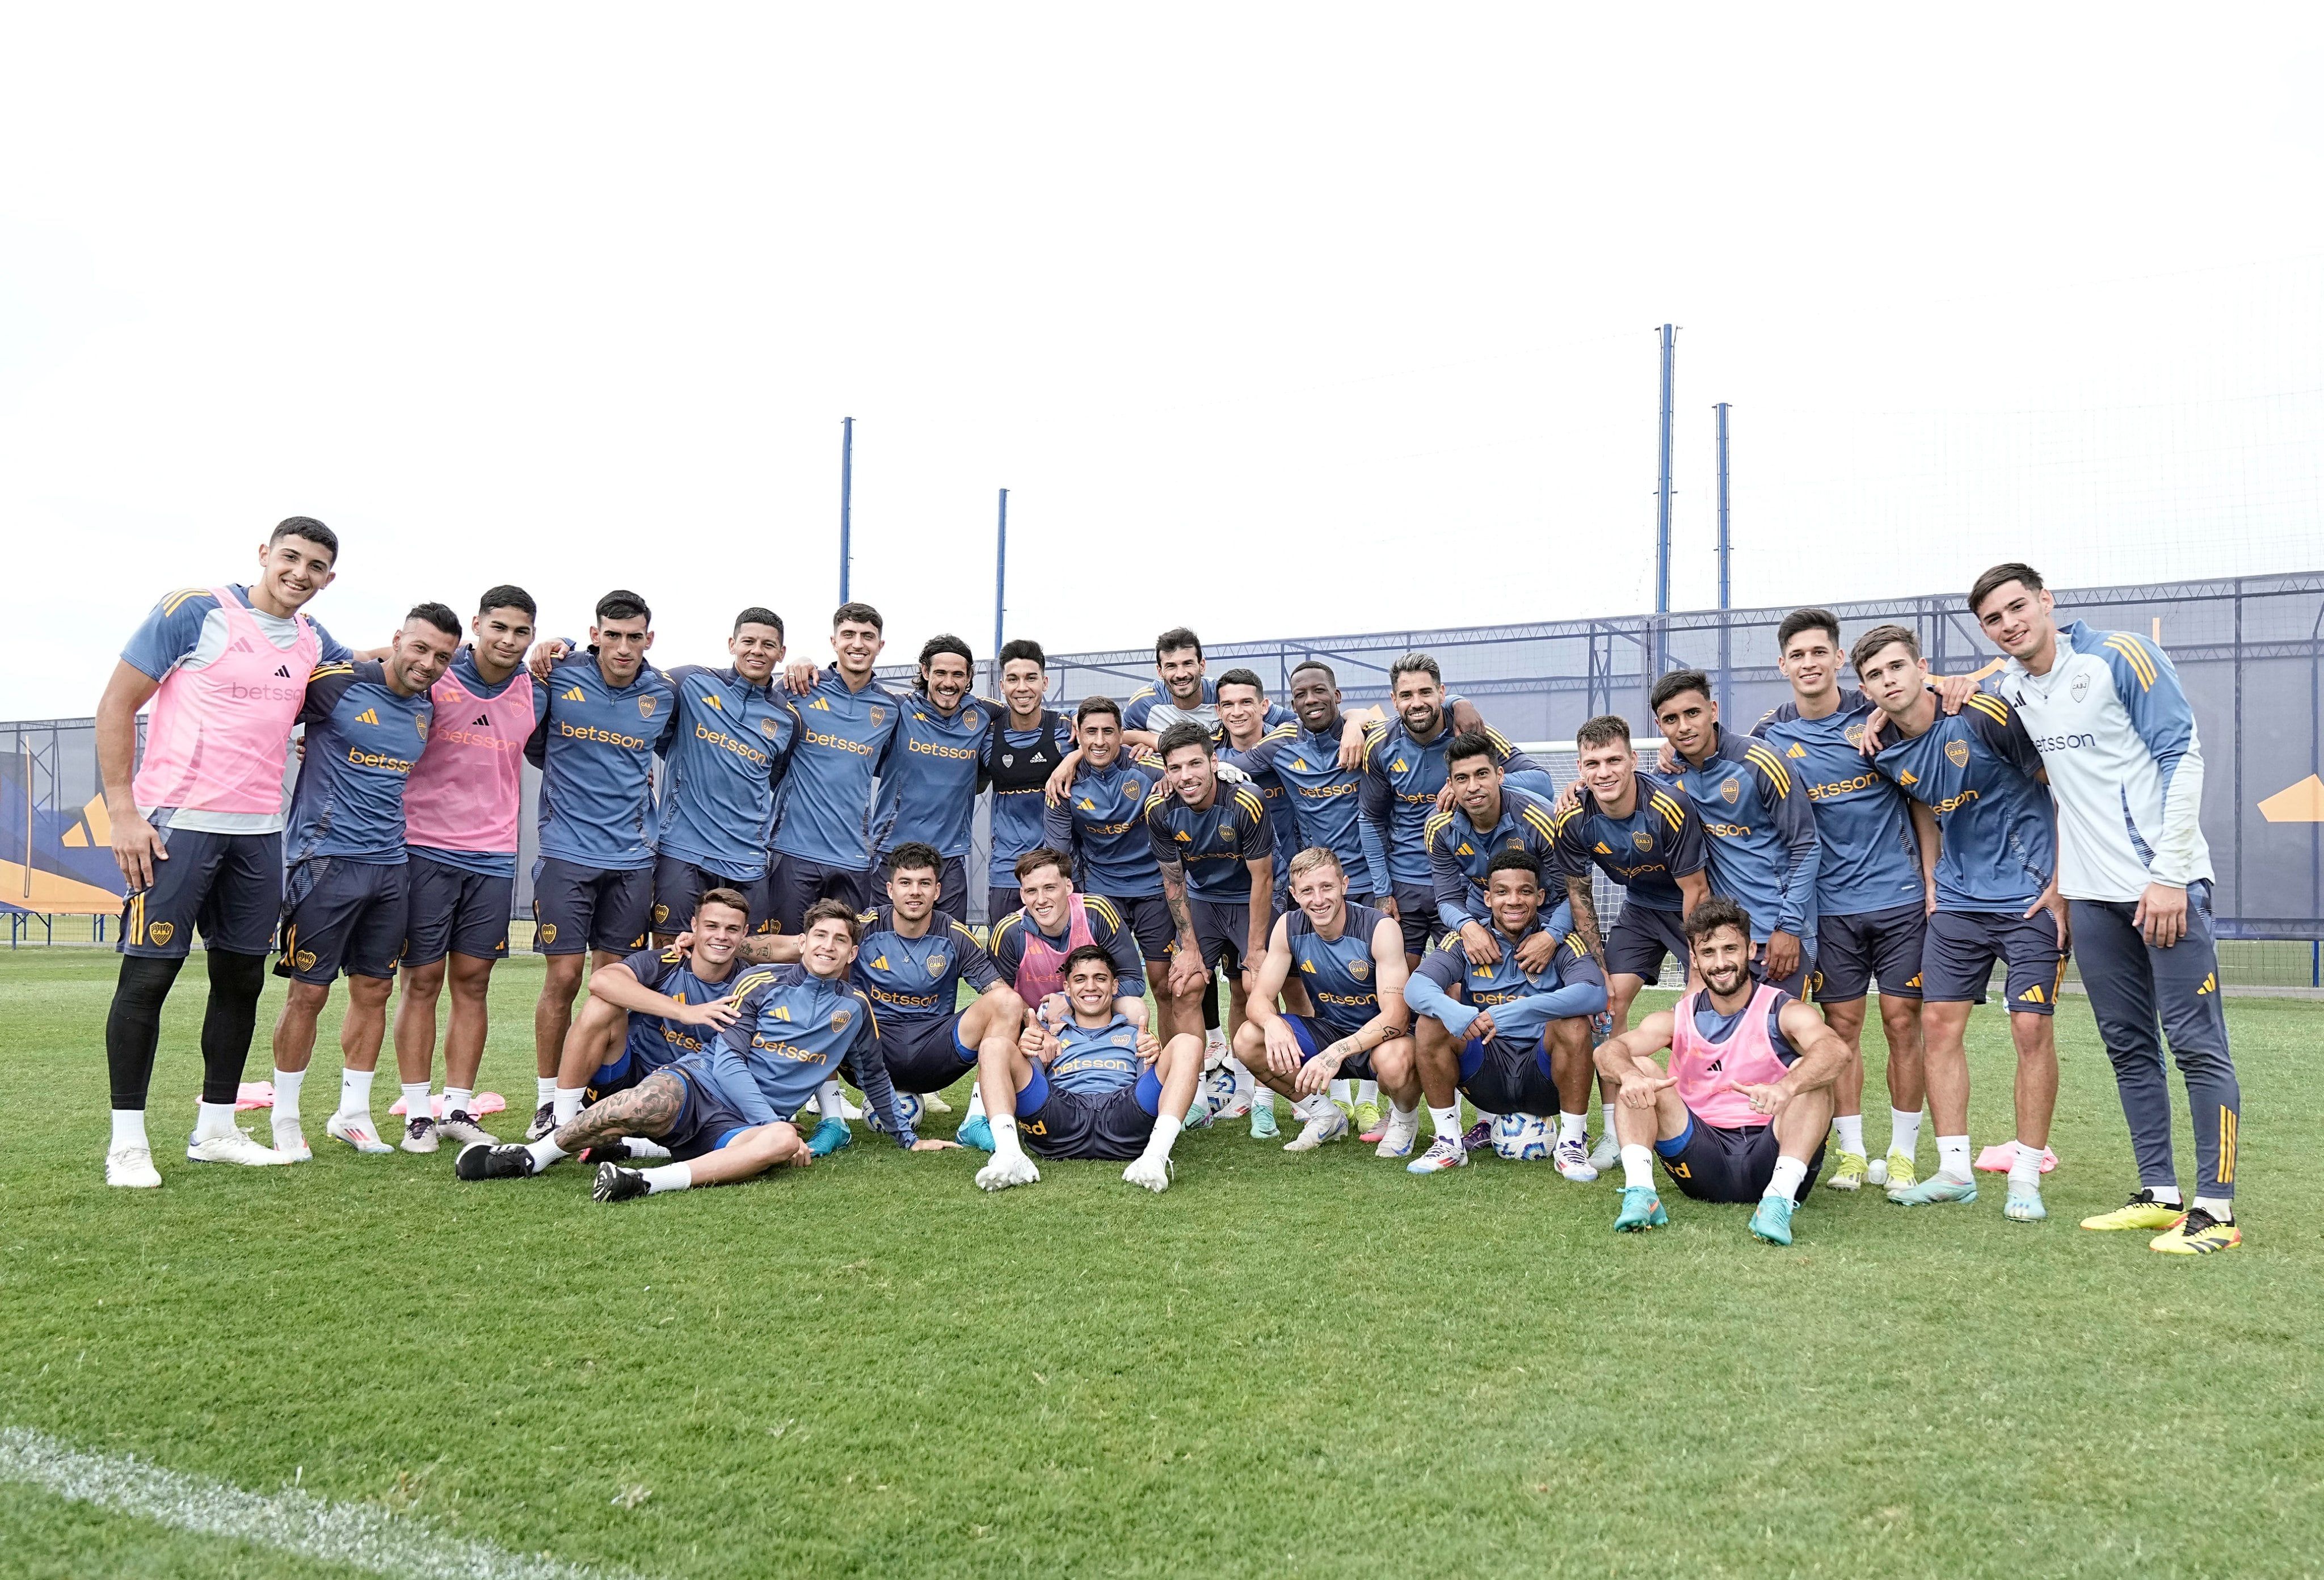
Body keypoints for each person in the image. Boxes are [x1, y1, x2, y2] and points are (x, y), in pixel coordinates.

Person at [1962, 566, 2244, 1252]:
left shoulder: (2120, 656)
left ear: (2046, 601)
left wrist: (2170, 875)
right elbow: (1951, 694)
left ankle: (2217, 1210)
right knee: (2128, 1046)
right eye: (1994, 619)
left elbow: (2183, 755)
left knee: (2196, 1045)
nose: (2008, 624)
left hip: (2161, 888)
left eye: (2017, 607)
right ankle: (2159, 1192)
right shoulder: (2012, 686)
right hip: (2089, 897)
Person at [98, 517, 358, 1186]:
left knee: (240, 980)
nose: (300, 573)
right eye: (291, 557)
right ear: (264, 554)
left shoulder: (312, 639)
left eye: (317, 566)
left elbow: (362, 673)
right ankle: (127, 1142)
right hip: (175, 826)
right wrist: (123, 812)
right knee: (148, 978)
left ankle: (216, 1127)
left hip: (259, 833)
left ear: (330, 578)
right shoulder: (196, 610)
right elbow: (117, 702)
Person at [458, 901, 956, 1198]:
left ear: (852, 952)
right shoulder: (762, 982)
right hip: (701, 1083)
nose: (828, 946)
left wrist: (909, 1139)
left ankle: (641, 1179)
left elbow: (874, 1078)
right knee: (643, 1102)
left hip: (742, 1126)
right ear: (802, 944)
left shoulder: (855, 1010)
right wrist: (769, 1117)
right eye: (819, 936)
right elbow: (727, 1057)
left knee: (780, 1146)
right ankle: (534, 1155)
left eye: (840, 940)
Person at [1855, 623, 2065, 1222]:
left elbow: (2062, 789)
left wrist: (2063, 883)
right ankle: (1954, 1171)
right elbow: (1923, 802)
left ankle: (2025, 1174)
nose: (1888, 681)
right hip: (1956, 905)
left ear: (1921, 667)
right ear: (1866, 688)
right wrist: (1931, 883)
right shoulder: (1884, 748)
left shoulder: (1979, 715)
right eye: (1874, 675)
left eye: (1896, 667)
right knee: (1938, 1028)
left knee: (2030, 1029)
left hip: (2030, 898)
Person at [267, 605, 461, 1157]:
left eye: (442, 656)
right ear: (396, 639)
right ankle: (285, 1116)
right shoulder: (337, 684)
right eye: (419, 648)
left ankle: (351, 1114)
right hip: (323, 861)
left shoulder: (426, 706)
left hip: (390, 865)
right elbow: (274, 706)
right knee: (308, 992)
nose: (428, 664)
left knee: (374, 989)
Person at [1754, 608, 1935, 1193]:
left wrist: (1932, 885)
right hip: (1829, 909)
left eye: (1818, 652)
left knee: (1903, 1021)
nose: (1809, 663)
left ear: (1838, 660)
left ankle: (1903, 1154)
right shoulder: (1772, 737)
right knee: (1841, 1027)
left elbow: (1922, 796)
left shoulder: (1878, 720)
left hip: (1899, 898)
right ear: (1783, 666)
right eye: (1797, 655)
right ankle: (1854, 1153)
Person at [1592, 897, 1851, 1246]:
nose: (1721, 963)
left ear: (1751, 949)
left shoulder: (1781, 1009)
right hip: (1702, 1157)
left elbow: (1835, 1050)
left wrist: (1787, 1087)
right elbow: (1610, 1051)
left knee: (1810, 1074)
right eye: (1709, 952)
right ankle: (1642, 1193)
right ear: (1695, 959)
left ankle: (1776, 1203)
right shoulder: (1679, 1018)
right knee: (1636, 1067)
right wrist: (1629, 1076)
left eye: (1730, 949)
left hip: (1772, 1154)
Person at [392, 587, 548, 1152]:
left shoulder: (537, 687)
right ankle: (416, 1112)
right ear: (477, 625)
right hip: (425, 848)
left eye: (522, 631)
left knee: (474, 983)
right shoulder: (436, 676)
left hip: (493, 856)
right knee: (422, 981)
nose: (508, 640)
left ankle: (459, 1108)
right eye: (499, 627)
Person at [523, 591, 678, 1139]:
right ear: (595, 634)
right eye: (612, 635)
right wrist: (549, 648)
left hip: (635, 858)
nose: (623, 646)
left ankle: (601, 1094)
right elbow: (530, 743)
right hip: (567, 852)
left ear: (648, 640)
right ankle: (548, 1100)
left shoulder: (663, 693)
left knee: (615, 981)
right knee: (564, 978)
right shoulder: (559, 676)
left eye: (634, 636)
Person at [1551, 714, 1713, 1173]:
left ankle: (1704, 1119)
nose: (1603, 772)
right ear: (1580, 769)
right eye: (1592, 763)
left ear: (1633, 760)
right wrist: (1597, 967)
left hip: (1690, 908)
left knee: (1701, 1008)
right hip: (1640, 910)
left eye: (1613, 760)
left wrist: (1696, 973)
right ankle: (1614, 1129)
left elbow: (1695, 890)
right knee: (1607, 1003)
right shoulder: (1572, 817)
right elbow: (1580, 896)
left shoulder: (1667, 807)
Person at [1403, 850, 1608, 1178]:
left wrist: (1510, 1013)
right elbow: (1416, 988)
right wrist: (1457, 1012)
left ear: (1540, 897)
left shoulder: (1561, 943)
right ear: (1487, 898)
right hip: (1487, 1073)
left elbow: (1595, 993)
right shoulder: (1466, 941)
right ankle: (1448, 1142)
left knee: (1573, 1023)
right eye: (1502, 892)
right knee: (1432, 1021)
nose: (1513, 901)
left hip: (1545, 1077)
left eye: (1525, 891)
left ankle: (1571, 1145)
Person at [536, 887, 785, 1144]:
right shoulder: (669, 961)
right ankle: (561, 1124)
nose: (721, 936)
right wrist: (684, 1012)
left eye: (732, 929)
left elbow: (805, 950)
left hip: (693, 1095)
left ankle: (637, 1145)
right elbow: (601, 980)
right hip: (629, 1080)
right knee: (601, 1005)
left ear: (745, 933)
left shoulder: (752, 983)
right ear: (694, 926)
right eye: (712, 926)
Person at [1361, 652, 1555, 965]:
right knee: (1397, 981)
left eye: (1426, 692)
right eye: (1407, 695)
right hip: (1404, 883)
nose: (1417, 702)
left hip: (1463, 885)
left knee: (1467, 979)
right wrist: (1383, 890)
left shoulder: (1472, 730)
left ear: (1442, 693)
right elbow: (1370, 819)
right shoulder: (1381, 744)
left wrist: (1461, 787)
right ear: (1394, 700)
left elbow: (1542, 783)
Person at [970, 945, 1203, 1194]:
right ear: (1067, 989)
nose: (1090, 987)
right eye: (1080, 979)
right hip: (1060, 1115)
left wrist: (1151, 1059)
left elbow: (1147, 1089)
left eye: (1100, 978)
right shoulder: (1050, 1036)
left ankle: (1154, 1158)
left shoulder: (1136, 1034)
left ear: (1114, 987)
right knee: (994, 1046)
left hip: (1123, 1114)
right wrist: (1025, 1051)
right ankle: (1010, 1157)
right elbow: (1027, 1080)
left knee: (1189, 1043)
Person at [844, 842, 1026, 1155]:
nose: (915, 892)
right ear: (890, 889)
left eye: (924, 883)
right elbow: (809, 953)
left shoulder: (953, 934)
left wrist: (1031, 1018)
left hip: (934, 1052)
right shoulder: (863, 928)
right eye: (906, 883)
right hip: (871, 1050)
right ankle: (832, 1119)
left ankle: (977, 1120)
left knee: (1008, 1002)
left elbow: (999, 992)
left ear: (937, 890)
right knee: (820, 992)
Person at [1235, 848, 1417, 1154]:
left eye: (1327, 887)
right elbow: (1259, 1000)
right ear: (1294, 894)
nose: (1318, 900)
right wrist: (1272, 1023)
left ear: (1344, 885)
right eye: (1307, 891)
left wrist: (1336, 1052)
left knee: (1395, 1061)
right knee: (1248, 1039)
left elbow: (1397, 1018)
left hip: (1382, 1039)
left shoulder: (1379, 928)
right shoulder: (1289, 926)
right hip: (1329, 1029)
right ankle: (1325, 1115)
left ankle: (1403, 1120)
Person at [1650, 668, 1820, 996]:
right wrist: (1583, 787)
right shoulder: (1668, 779)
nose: (1684, 727)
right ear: (1660, 726)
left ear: (1713, 711)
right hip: (1725, 938)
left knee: (1777, 1040)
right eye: (1671, 719)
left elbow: (1807, 845)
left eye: (1693, 713)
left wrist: (1789, 927)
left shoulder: (1760, 761)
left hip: (1778, 931)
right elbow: (1628, 797)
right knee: (1725, 1039)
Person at [651, 608, 797, 939]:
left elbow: (772, 776)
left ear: (781, 653)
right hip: (683, 850)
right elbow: (635, 684)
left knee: (745, 958)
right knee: (669, 953)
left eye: (768, 644)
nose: (757, 651)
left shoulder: (788, 718)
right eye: (748, 641)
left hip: (747, 858)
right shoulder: (691, 682)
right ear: (732, 644)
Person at [767, 602, 906, 932]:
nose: (858, 644)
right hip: (793, 848)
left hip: (854, 856)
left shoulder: (889, 708)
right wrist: (797, 662)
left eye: (867, 637)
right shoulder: (799, 688)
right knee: (783, 951)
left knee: (844, 953)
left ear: (880, 645)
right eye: (849, 635)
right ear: (834, 642)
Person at [1042, 697, 1174, 1021]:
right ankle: (1097, 1061)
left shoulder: (1149, 769)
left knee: (1165, 986)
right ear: (1079, 734)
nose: (1099, 741)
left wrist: (1174, 772)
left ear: (1121, 734)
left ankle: (1175, 1069)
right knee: (1096, 984)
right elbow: (1060, 857)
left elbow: (1189, 755)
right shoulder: (1063, 783)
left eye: (1108, 732)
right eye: (1091, 732)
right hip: (1102, 897)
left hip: (1154, 891)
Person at [1215, 668, 1304, 1137]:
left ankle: (1313, 1089)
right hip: (1240, 891)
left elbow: (1349, 716)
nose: (1237, 711)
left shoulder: (1287, 737)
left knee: (1296, 988)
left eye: (1246, 702)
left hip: (1292, 886)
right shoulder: (1211, 753)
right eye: (1228, 704)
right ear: (1219, 710)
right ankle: (1246, 1089)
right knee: (1242, 990)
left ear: (1264, 705)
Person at [1148, 721, 1275, 1046]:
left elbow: (1263, 878)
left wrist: (1257, 950)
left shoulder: (1247, 801)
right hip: (1205, 899)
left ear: (1214, 763)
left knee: (1254, 985)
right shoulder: (1160, 809)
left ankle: (1252, 1089)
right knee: (1185, 985)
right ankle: (1196, 1090)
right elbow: (1173, 882)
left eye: (1194, 763)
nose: (1185, 776)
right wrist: (1189, 948)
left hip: (1250, 897)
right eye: (1175, 768)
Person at [871, 635, 990, 918]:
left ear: (969, 676)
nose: (949, 682)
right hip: (891, 852)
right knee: (878, 942)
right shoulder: (898, 709)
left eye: (958, 674)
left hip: (948, 858)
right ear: (925, 672)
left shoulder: (983, 714)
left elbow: (1032, 715)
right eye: (940, 673)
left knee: (949, 944)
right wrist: (806, 666)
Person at [979, 639, 1076, 926]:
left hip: (1057, 871)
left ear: (1045, 682)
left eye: (1031, 678)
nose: (1022, 688)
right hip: (1007, 873)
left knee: (1068, 964)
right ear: (1002, 686)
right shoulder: (986, 737)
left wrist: (1074, 757)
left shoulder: (1066, 731)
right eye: (1013, 679)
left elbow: (1112, 739)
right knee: (1007, 964)